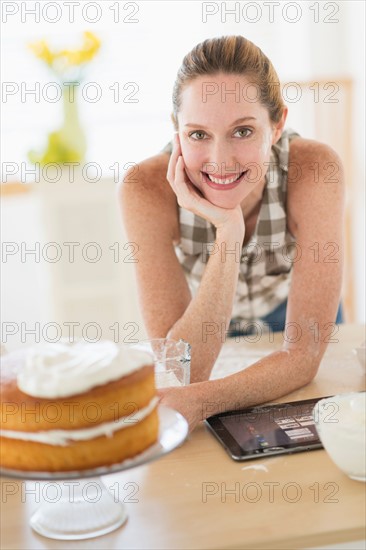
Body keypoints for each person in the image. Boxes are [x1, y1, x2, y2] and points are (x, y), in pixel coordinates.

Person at [119, 35, 345, 431]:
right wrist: (229, 230)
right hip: (207, 322)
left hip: (289, 316)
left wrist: (198, 401)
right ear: (176, 132)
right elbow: (184, 370)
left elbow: (303, 353)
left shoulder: (315, 169)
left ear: (276, 127)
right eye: (198, 134)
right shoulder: (145, 188)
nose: (220, 161)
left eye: (242, 131)